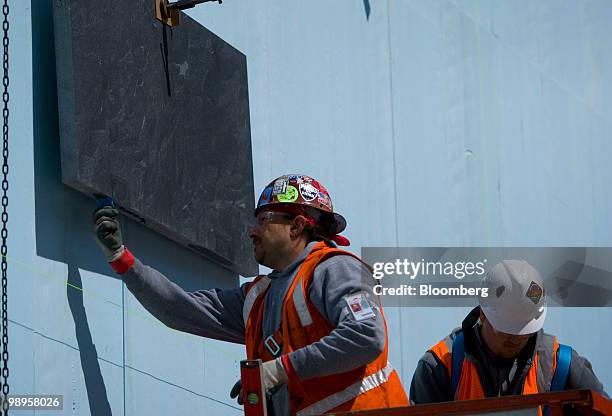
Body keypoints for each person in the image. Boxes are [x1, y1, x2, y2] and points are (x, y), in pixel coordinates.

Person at [92, 174, 409, 416]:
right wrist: (120, 258)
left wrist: (277, 371)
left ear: (296, 226)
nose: (252, 230)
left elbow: (366, 337)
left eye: (264, 220)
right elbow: (179, 309)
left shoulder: (335, 269)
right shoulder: (258, 297)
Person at [410, 260, 608, 408]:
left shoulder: (561, 366)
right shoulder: (440, 367)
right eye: (506, 329)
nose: (515, 338)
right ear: (483, 315)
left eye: (524, 330)